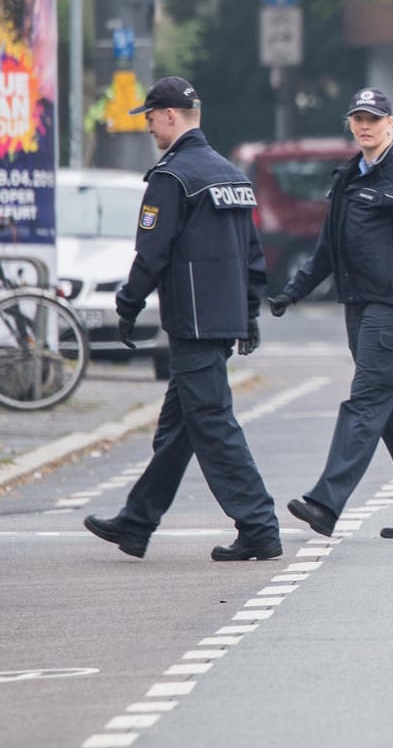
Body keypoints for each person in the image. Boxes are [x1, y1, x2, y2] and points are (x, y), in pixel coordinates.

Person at [83, 77, 280, 562]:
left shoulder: (172, 177)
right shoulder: (231, 174)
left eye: (150, 118)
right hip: (220, 318)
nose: (149, 128)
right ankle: (136, 521)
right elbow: (253, 255)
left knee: (211, 423)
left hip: (192, 321)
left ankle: (258, 525)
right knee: (180, 427)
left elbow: (152, 252)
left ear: (170, 115)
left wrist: (128, 305)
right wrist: (249, 313)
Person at [273, 87, 393, 541]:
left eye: (374, 118)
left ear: (391, 124)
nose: (366, 125)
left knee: (367, 403)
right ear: (351, 125)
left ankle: (326, 502)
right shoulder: (350, 177)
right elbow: (326, 250)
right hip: (361, 309)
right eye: (358, 118)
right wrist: (292, 292)